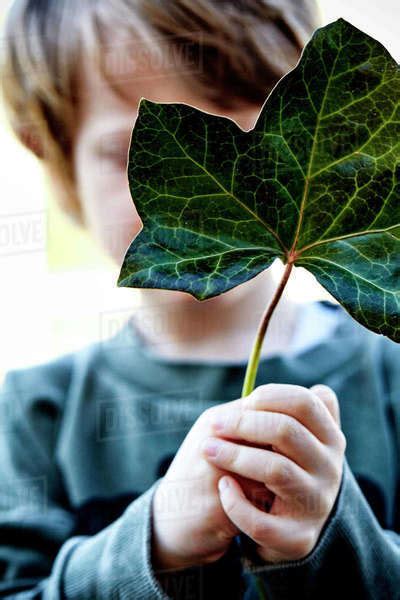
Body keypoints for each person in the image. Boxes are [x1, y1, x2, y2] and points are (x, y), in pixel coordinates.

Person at [0, 1, 399, 598]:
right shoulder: (34, 414)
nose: (200, 200)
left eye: (237, 141)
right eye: (139, 152)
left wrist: (330, 540)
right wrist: (155, 543)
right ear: (56, 159)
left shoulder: (390, 377)